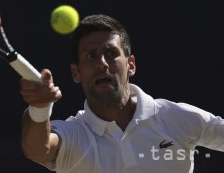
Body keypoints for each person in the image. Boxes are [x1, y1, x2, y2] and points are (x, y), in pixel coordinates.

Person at [20, 14, 224, 172]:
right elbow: (38, 150)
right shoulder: (74, 135)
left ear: (131, 65)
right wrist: (39, 108)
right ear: (76, 72)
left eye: (111, 53)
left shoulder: (177, 118)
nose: (102, 64)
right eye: (91, 56)